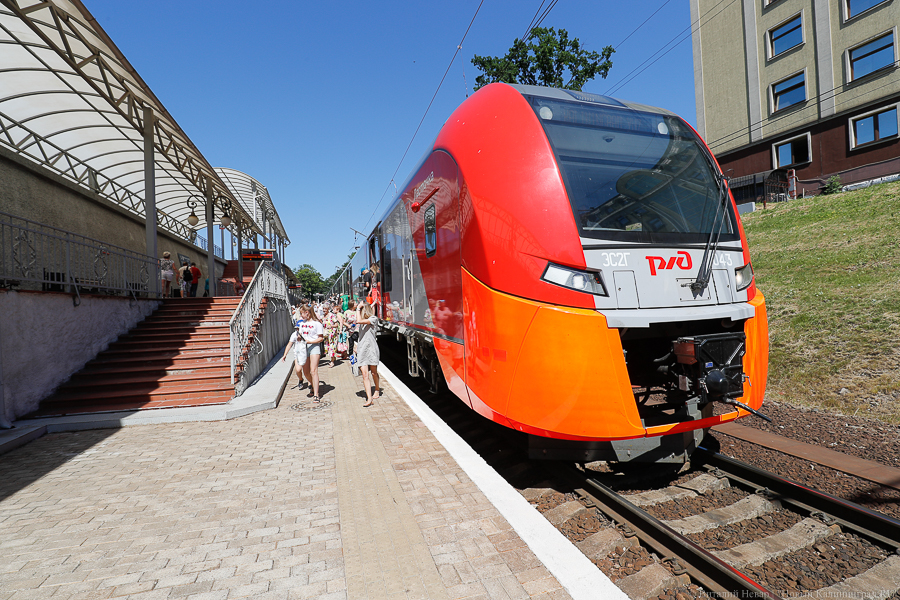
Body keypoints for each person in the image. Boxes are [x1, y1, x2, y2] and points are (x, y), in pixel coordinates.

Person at [355, 302, 380, 407]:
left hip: (371, 350)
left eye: (361, 310)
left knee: (374, 372)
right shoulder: (363, 323)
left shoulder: (373, 319)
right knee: (365, 375)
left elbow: (358, 321)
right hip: (362, 350)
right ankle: (369, 398)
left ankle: (377, 389)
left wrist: (357, 308)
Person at [297, 305, 325, 401]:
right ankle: (313, 384)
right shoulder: (301, 324)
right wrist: (299, 338)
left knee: (313, 370)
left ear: (307, 312)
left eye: (302, 313)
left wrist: (310, 341)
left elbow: (321, 338)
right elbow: (300, 335)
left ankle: (316, 394)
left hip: (314, 347)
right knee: (305, 372)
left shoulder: (317, 324)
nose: (301, 316)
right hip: (304, 348)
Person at [281, 321, 309, 390]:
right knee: (298, 370)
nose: (298, 330)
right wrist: (285, 355)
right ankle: (300, 379)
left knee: (308, 371)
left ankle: (310, 383)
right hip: (298, 355)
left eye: (299, 328)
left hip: (307, 354)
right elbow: (289, 344)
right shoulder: (294, 335)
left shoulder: (308, 334)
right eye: (297, 328)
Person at [323, 304, 345, 368]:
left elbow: (336, 325)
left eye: (325, 309)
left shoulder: (331, 315)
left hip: (332, 335)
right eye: (323, 309)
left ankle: (332, 361)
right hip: (326, 335)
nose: (324, 310)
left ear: (328, 309)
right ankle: (333, 358)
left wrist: (331, 326)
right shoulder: (323, 316)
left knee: (332, 347)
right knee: (327, 348)